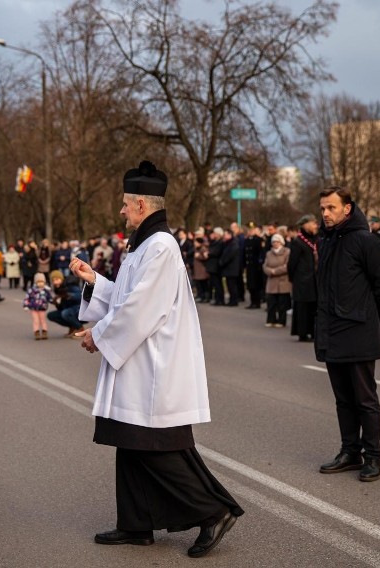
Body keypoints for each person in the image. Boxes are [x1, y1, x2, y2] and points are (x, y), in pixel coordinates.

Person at [70, 161, 243, 558]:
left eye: (126, 205)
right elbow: (128, 297)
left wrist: (99, 335)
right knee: (129, 441)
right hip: (139, 361)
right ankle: (136, 524)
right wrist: (95, 281)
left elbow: (141, 309)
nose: (121, 211)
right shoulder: (145, 245)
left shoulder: (161, 246)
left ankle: (214, 512)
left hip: (154, 367)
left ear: (143, 205)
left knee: (154, 444)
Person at [315, 186, 380, 483]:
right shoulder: (327, 241)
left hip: (358, 331)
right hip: (332, 332)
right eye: (322, 208)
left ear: (347, 208)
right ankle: (350, 452)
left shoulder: (365, 241)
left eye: (331, 208)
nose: (325, 213)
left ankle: (373, 457)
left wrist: (379, 325)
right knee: (343, 399)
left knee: (364, 399)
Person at [288, 214, 318, 342]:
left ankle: (312, 331)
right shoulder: (298, 242)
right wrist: (293, 278)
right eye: (312, 223)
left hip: (313, 279)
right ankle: (302, 332)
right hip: (302, 280)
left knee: (313, 307)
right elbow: (292, 263)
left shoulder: (314, 240)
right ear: (305, 225)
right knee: (302, 307)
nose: (315, 226)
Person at [263, 233, 291, 327]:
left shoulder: (287, 252)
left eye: (277, 241)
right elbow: (265, 266)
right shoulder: (269, 253)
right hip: (271, 281)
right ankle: (271, 319)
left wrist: (276, 271)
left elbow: (287, 266)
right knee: (271, 302)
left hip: (283, 281)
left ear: (281, 242)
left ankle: (281, 321)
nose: (275, 243)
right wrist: (270, 271)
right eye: (273, 242)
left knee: (282, 303)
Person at [47, 270, 85, 337]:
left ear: (61, 279)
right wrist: (56, 303)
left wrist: (69, 295)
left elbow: (80, 296)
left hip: (79, 310)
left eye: (57, 279)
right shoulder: (58, 289)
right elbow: (62, 307)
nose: (55, 282)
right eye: (53, 281)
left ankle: (80, 328)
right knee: (51, 315)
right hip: (69, 310)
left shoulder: (70, 285)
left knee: (65, 313)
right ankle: (73, 326)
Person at [23, 272, 54, 340]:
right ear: (36, 282)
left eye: (42, 282)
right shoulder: (32, 290)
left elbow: (49, 298)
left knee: (43, 320)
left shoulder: (46, 290)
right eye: (38, 282)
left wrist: (54, 302)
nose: (40, 283)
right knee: (36, 320)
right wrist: (26, 305)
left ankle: (44, 332)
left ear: (44, 282)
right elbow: (27, 298)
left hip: (42, 308)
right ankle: (36, 332)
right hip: (33, 308)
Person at [243, 223, 265, 309]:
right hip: (249, 266)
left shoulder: (258, 240)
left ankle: (257, 302)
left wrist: (260, 264)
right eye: (249, 230)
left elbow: (260, 252)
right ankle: (253, 301)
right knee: (250, 285)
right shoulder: (247, 240)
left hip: (256, 266)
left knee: (256, 285)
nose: (250, 231)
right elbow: (245, 253)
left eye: (252, 230)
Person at [219, 229, 240, 306]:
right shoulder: (227, 243)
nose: (224, 236)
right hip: (228, 269)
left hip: (232, 268)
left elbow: (230, 255)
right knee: (229, 285)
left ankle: (234, 300)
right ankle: (232, 300)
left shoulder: (234, 244)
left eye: (225, 235)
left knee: (232, 286)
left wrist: (222, 262)